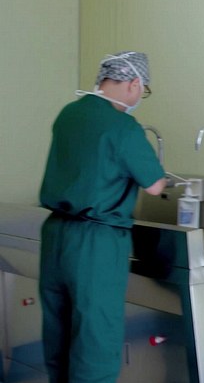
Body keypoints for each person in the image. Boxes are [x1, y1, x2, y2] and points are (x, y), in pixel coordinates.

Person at [39, 51, 166, 383]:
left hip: (55, 235)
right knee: (96, 340)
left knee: (59, 334)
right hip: (95, 243)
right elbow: (155, 186)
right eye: (143, 91)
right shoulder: (122, 126)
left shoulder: (69, 114)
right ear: (134, 83)